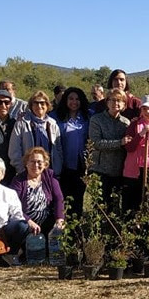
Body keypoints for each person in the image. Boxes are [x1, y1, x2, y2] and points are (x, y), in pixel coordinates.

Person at [88, 89, 131, 213]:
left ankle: (113, 231)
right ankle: (98, 232)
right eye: (112, 100)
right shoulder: (96, 120)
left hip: (118, 171)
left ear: (124, 104)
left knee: (115, 206)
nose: (115, 103)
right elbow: (96, 143)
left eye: (119, 100)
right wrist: (120, 142)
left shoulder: (126, 123)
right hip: (101, 171)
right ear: (107, 102)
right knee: (100, 208)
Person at [52, 87, 91, 218]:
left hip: (81, 165)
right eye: (71, 99)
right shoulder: (56, 116)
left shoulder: (88, 116)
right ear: (65, 100)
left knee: (78, 198)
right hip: (63, 165)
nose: (74, 102)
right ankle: (61, 229)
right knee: (62, 198)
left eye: (77, 99)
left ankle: (76, 232)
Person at [11, 147, 66, 238]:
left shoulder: (50, 176)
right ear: (26, 164)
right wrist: (29, 221)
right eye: (32, 162)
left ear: (45, 164)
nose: (36, 165)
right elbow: (13, 206)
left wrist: (59, 219)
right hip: (26, 222)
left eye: (39, 162)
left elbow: (58, 198)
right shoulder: (18, 181)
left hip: (46, 219)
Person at [8, 91, 60, 175]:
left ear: (47, 105)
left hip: (49, 172)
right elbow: (14, 149)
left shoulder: (52, 124)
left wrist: (57, 169)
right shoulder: (22, 122)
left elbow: (58, 148)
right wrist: (22, 170)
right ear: (31, 106)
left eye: (42, 103)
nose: (39, 106)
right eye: (35, 103)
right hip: (27, 172)